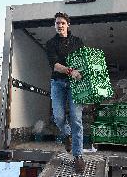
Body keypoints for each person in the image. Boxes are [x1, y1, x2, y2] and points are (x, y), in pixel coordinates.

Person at [45, 12, 85, 173]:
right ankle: (67, 134)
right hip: (58, 83)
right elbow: (54, 65)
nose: (60, 25)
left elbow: (84, 61)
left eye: (62, 23)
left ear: (68, 25)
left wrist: (82, 74)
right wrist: (70, 71)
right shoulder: (51, 43)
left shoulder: (78, 42)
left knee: (76, 118)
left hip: (76, 84)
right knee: (59, 117)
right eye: (57, 23)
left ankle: (78, 156)